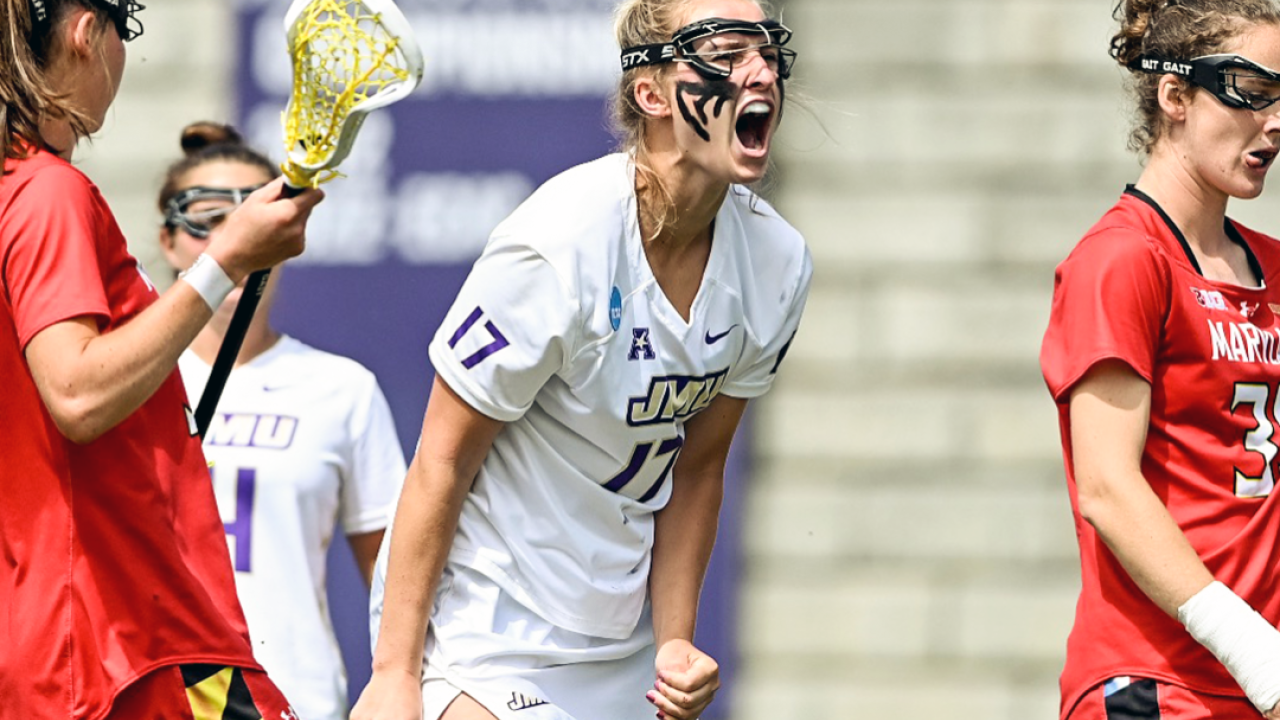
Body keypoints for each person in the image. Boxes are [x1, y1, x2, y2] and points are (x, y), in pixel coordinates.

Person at [351, 0, 810, 719]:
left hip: (617, 638)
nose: (760, 71)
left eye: (767, 48)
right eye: (724, 51)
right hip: (484, 624)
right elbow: (441, 461)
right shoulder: (558, 243)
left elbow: (697, 467)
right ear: (650, 93)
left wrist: (674, 644)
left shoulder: (779, 263)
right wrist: (392, 675)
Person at [0, 2, 324, 718]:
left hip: (59, 645)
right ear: (89, 33)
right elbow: (77, 393)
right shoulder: (44, 192)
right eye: (127, 33)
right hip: (123, 646)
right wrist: (224, 261)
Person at [1041, 1, 1280, 718]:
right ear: (1175, 96)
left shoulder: (1272, 267)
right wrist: (1248, 645)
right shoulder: (1122, 260)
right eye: (1250, 90)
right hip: (1159, 682)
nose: (1274, 121)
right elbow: (1107, 488)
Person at [156, 121, 407, 720]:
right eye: (210, 218)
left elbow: (394, 583)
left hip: (292, 701)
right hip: (152, 698)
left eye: (254, 218)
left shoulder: (341, 390)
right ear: (168, 240)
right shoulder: (116, 383)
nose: (233, 242)